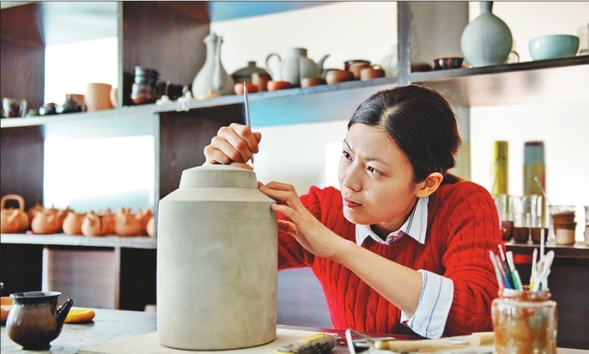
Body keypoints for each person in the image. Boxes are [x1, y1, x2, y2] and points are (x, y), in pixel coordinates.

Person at [203, 84, 502, 339]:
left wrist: (338, 249)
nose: (349, 181)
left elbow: (474, 317)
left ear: (426, 184)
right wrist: (215, 172)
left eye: (373, 169)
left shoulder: (465, 205)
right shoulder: (323, 211)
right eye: (347, 155)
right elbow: (218, 257)